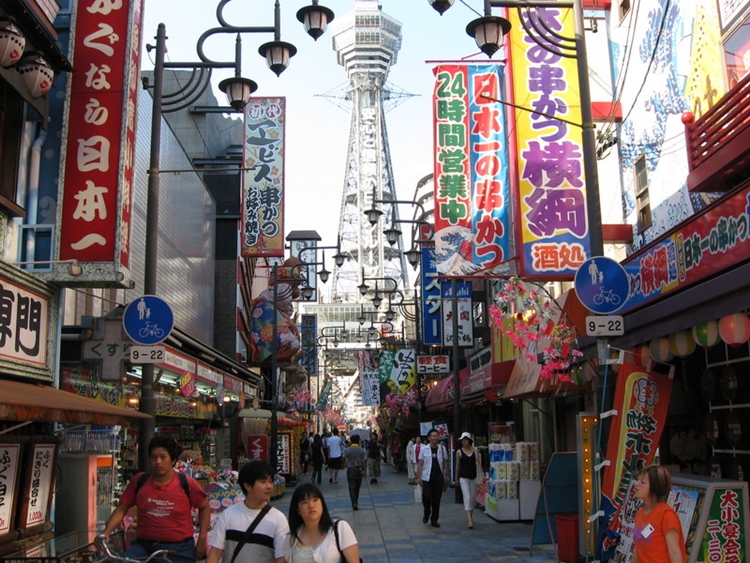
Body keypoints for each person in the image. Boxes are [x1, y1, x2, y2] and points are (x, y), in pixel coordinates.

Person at [103, 436, 211, 563]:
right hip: (143, 547)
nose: (158, 461)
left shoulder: (187, 483)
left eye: (163, 457)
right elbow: (122, 508)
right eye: (154, 457)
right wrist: (106, 532)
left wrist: (202, 538)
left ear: (173, 460)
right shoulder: (139, 481)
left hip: (178, 550)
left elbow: (204, 508)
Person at [207, 460, 290, 563]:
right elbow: (215, 553)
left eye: (271, 481)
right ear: (247, 486)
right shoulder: (228, 515)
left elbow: (281, 559)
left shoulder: (278, 519)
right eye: (263, 481)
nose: (269, 486)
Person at [286, 483, 360, 563]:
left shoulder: (340, 528)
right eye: (305, 502)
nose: (311, 505)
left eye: (315, 500)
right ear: (298, 510)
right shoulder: (292, 537)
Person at [630, 465, 687, 563]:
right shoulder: (639, 513)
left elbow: (674, 552)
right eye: (638, 480)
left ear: (654, 487)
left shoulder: (666, 515)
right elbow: (638, 549)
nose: (636, 484)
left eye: (642, 482)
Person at [416, 429, 450, 528]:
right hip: (427, 477)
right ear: (429, 438)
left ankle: (434, 519)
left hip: (438, 477)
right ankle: (427, 512)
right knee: (426, 497)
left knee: (437, 500)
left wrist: (446, 475)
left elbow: (445, 462)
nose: (435, 438)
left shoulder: (442, 449)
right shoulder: (424, 449)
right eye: (433, 436)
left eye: (436, 436)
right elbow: (420, 464)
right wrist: (418, 477)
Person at [455, 431, 483, 529]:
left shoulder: (476, 450)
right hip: (463, 477)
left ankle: (471, 516)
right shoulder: (459, 452)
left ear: (469, 440)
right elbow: (457, 466)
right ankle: (469, 520)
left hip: (474, 477)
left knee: (472, 498)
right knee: (467, 496)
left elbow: (479, 464)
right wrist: (456, 478)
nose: (464, 441)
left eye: (466, 439)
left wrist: (482, 474)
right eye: (463, 440)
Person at [343, 435, 366, 510]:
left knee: (351, 487)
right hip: (359, 470)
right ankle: (356, 501)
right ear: (358, 441)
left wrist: (343, 465)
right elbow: (364, 461)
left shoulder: (347, 450)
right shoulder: (362, 450)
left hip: (351, 470)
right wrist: (364, 470)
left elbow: (343, 458)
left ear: (351, 441)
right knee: (357, 487)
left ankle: (354, 503)